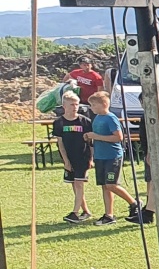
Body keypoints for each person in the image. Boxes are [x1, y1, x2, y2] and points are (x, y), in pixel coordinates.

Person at [83, 91, 144, 225]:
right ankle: (108, 215)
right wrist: (89, 137)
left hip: (112, 156)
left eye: (93, 105)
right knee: (105, 186)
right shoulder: (97, 118)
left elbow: (118, 137)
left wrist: (96, 136)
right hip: (100, 156)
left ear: (104, 104)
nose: (91, 108)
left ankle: (134, 203)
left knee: (112, 184)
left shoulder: (111, 118)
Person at [50, 91, 95, 223]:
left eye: (76, 104)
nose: (75, 107)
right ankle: (86, 211)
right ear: (64, 106)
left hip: (83, 157)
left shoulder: (85, 121)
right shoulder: (59, 123)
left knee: (79, 184)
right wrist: (66, 161)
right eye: (71, 104)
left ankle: (75, 213)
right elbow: (60, 143)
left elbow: (91, 142)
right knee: (74, 185)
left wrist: (91, 159)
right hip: (69, 158)